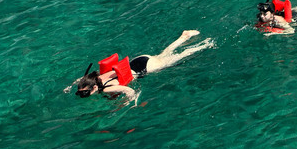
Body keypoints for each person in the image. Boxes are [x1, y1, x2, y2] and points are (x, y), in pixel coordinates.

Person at [71, 30, 214, 102]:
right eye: (80, 93)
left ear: (94, 87)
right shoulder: (94, 78)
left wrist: (129, 103)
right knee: (163, 54)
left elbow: (129, 91)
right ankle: (184, 37)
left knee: (178, 57)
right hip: (138, 60)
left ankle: (205, 45)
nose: (82, 95)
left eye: (84, 93)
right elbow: (80, 80)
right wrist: (71, 86)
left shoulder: (108, 88)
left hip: (146, 68)